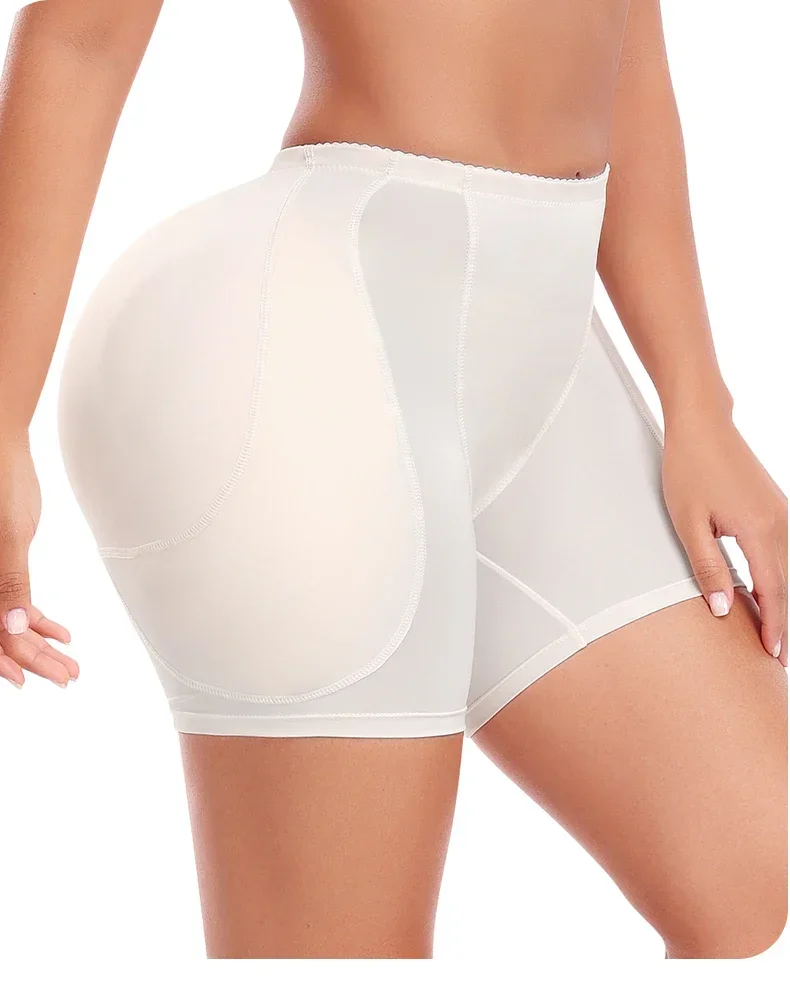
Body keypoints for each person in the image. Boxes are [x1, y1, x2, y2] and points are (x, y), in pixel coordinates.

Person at [0, 0, 786, 960]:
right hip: (313, 338)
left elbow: (628, 41)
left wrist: (699, 401)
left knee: (755, 887)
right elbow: (79, 39)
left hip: (542, 350)